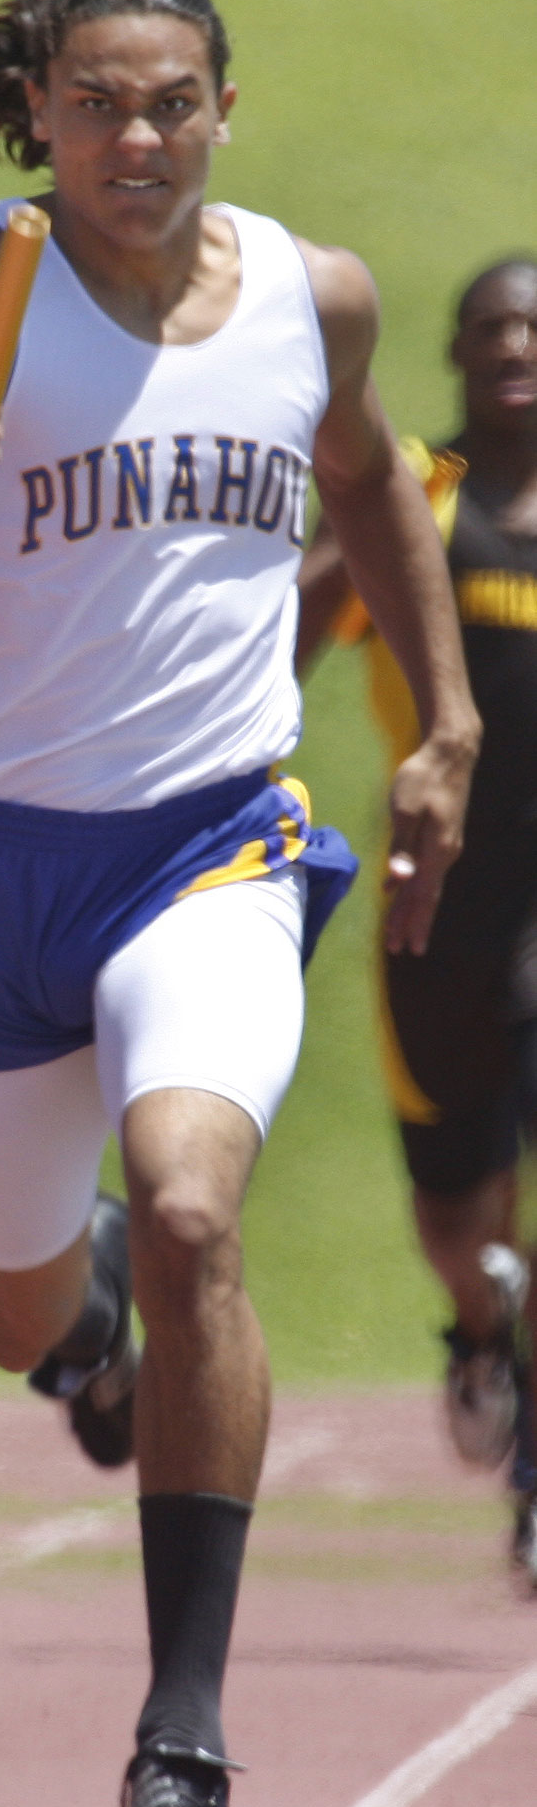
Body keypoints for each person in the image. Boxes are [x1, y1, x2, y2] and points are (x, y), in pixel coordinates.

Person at [0, 0, 477, 1807]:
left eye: (168, 101)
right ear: (44, 111)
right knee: (25, 1298)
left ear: (221, 107)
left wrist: (445, 722)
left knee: (186, 1204)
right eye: (96, 102)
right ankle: (81, 1344)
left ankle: (180, 1730)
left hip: (208, 845)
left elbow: (368, 483)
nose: (134, 137)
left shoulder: (308, 296)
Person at [298, 256, 537, 1582]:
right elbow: (282, 631)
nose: (513, 343)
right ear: (453, 350)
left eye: (533, 326)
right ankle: (475, 1330)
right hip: (440, 892)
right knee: (460, 1213)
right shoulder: (415, 501)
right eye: (489, 324)